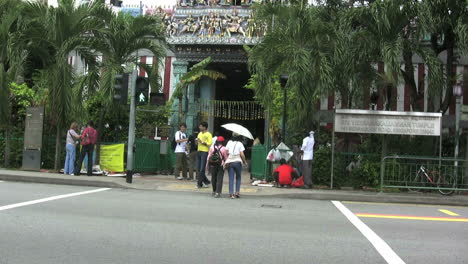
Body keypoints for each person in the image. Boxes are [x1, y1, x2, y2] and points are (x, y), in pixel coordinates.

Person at [225, 132, 247, 199]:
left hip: (230, 162)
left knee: (231, 178)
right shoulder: (240, 143)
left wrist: (230, 154)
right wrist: (245, 162)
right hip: (237, 162)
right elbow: (242, 154)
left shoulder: (229, 142)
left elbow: (226, 152)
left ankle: (231, 194)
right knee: (238, 177)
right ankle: (237, 192)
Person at [196, 122, 212, 188]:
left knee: (202, 169)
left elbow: (209, 143)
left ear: (204, 127)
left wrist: (202, 142)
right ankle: (206, 181)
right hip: (199, 151)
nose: (199, 127)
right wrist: (197, 141)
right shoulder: (199, 133)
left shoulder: (209, 134)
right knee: (198, 168)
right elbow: (198, 142)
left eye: (201, 126)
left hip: (204, 152)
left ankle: (199, 184)